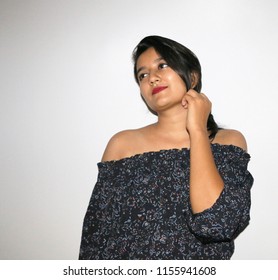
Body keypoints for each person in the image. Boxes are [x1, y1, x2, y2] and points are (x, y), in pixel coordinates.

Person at [78, 35, 254, 260]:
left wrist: (198, 131)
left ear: (192, 76)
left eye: (162, 65)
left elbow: (216, 224)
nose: (152, 78)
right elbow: (95, 236)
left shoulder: (227, 142)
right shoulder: (121, 144)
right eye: (143, 74)